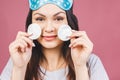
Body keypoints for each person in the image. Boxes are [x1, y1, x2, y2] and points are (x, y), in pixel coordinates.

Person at [1, 0, 109, 80]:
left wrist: (80, 66)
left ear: (69, 23)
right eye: (40, 19)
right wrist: (19, 69)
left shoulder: (91, 62)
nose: (49, 29)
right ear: (31, 23)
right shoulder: (17, 61)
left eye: (58, 19)